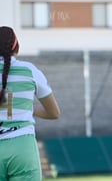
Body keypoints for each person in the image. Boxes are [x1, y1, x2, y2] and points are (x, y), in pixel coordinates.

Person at [0, 26, 61, 181]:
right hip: (22, 146)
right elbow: (54, 113)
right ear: (16, 46)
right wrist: (30, 110)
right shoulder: (30, 70)